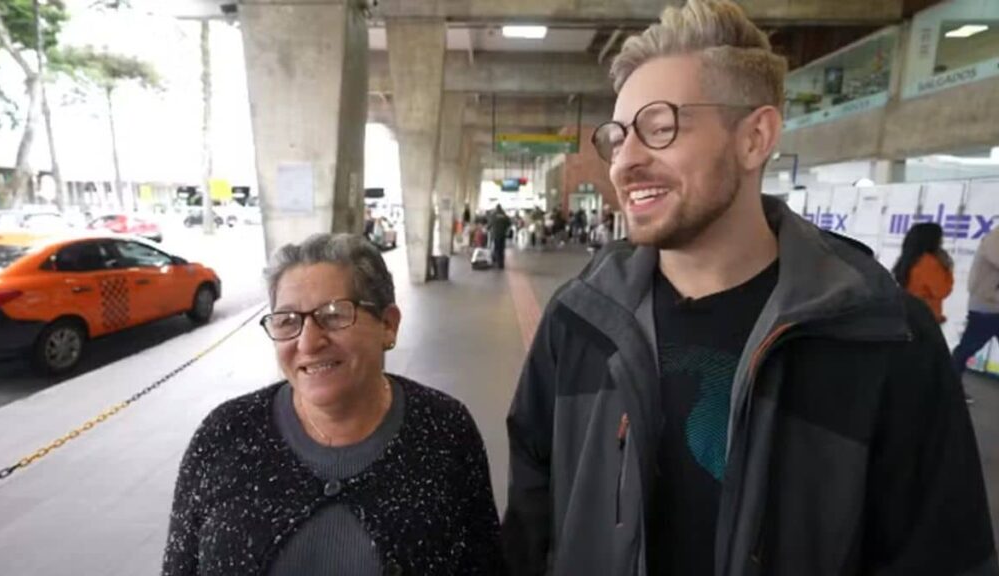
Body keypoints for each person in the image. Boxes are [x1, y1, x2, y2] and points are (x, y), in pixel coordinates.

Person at [502, 2, 996, 576]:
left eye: (659, 127)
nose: (625, 161)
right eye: (617, 137)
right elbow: (531, 525)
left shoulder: (882, 338)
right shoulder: (581, 321)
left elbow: (944, 557)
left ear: (755, 137)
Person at [163, 233, 504, 576]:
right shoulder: (224, 434)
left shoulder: (444, 430)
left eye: (333, 315)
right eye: (287, 321)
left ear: (388, 325)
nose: (308, 343)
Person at [951, 225, 999, 404]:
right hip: (986, 306)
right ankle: (950, 386)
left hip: (992, 305)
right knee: (967, 348)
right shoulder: (994, 239)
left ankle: (949, 384)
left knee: (966, 348)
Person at [892, 222, 953, 323]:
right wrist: (947, 268)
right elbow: (942, 290)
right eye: (940, 238)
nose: (942, 241)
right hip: (925, 316)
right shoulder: (928, 262)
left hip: (910, 313)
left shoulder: (911, 258)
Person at [490, 204, 512, 269]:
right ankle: (501, 264)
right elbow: (509, 224)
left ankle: (495, 261)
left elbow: (490, 224)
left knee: (496, 247)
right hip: (503, 234)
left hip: (495, 234)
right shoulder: (505, 216)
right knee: (501, 249)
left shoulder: (493, 215)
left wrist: (488, 228)